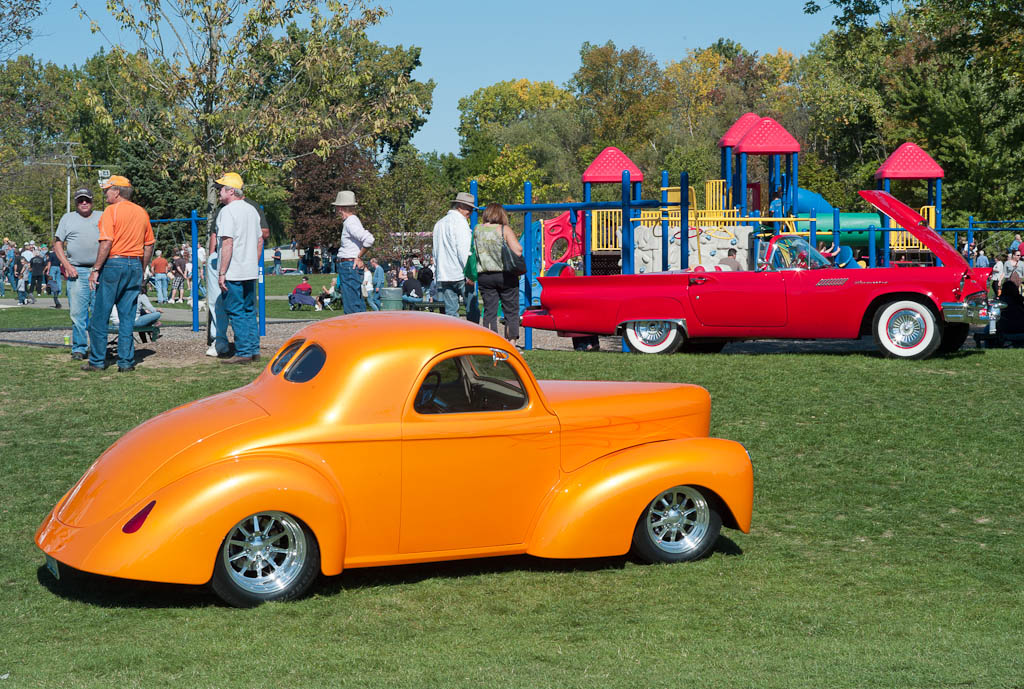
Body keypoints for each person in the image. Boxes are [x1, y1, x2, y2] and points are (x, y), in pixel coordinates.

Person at [83, 175, 154, 372]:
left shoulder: (111, 211)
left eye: (107, 190)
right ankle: (126, 362)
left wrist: (96, 269)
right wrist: (141, 268)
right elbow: (149, 245)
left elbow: (106, 242)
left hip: (114, 264)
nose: (105, 193)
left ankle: (97, 361)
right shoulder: (141, 212)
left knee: (100, 315)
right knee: (127, 316)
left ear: (117, 192)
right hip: (135, 265)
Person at [214, 172, 263, 364]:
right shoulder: (252, 210)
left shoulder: (227, 212)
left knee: (236, 310)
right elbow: (260, 240)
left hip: (234, 270)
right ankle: (253, 349)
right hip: (249, 269)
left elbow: (227, 242)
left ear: (231, 191)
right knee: (250, 310)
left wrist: (222, 272)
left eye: (221, 188)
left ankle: (243, 352)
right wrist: (253, 262)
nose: (219, 192)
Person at [472, 203, 523, 342]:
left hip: (484, 275)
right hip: (505, 275)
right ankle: (511, 341)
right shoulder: (504, 229)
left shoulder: (477, 229)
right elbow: (518, 250)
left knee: (489, 310)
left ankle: (490, 341)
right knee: (510, 310)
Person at [433, 191, 478, 319]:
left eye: (471, 208)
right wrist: (470, 273)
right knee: (472, 310)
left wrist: (438, 271)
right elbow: (464, 250)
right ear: (459, 206)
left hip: (444, 274)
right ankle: (472, 337)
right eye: (468, 208)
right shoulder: (460, 223)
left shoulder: (439, 224)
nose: (470, 211)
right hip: (460, 273)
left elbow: (435, 251)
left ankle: (454, 337)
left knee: (451, 313)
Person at [331, 190, 375, 314]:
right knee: (355, 303)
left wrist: (359, 257)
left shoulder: (350, 222)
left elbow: (369, 239)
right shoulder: (352, 221)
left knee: (352, 306)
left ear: (340, 208)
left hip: (349, 266)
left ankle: (357, 331)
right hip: (349, 266)